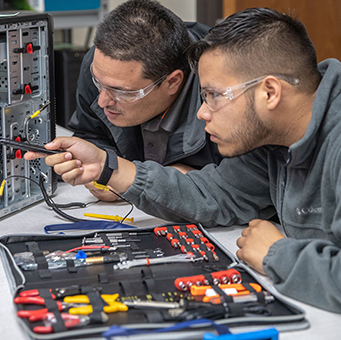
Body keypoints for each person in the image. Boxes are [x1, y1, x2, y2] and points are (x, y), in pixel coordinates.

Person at [26, 8, 341, 313]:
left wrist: (278, 255)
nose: (202, 113)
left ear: (270, 92)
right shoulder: (272, 138)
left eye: (214, 96)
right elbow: (215, 194)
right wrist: (109, 168)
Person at [66, 0, 222, 200]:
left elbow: (245, 185)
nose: (103, 100)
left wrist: (181, 180)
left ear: (172, 82)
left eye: (122, 92)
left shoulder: (224, 90)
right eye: (99, 82)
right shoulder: (105, 67)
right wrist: (105, 169)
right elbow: (91, 133)